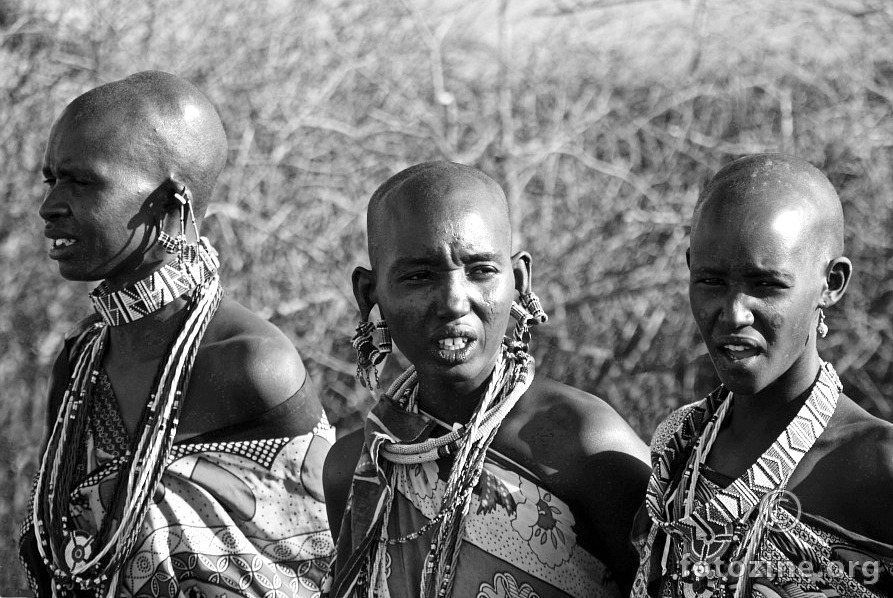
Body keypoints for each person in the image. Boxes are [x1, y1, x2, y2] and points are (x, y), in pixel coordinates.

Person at [20, 71, 334, 597]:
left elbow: (322, 568)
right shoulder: (79, 365)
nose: (49, 205)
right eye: (51, 179)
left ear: (171, 201)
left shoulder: (253, 367)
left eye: (81, 181)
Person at [323, 161, 651, 598]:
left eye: (480, 270)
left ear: (518, 280)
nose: (455, 302)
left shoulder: (586, 445)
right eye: (419, 276)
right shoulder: (358, 471)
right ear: (370, 294)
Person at [631, 153, 893, 598]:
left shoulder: (877, 467)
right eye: (711, 281)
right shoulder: (680, 444)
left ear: (831, 283)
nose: (733, 314)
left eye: (767, 284)